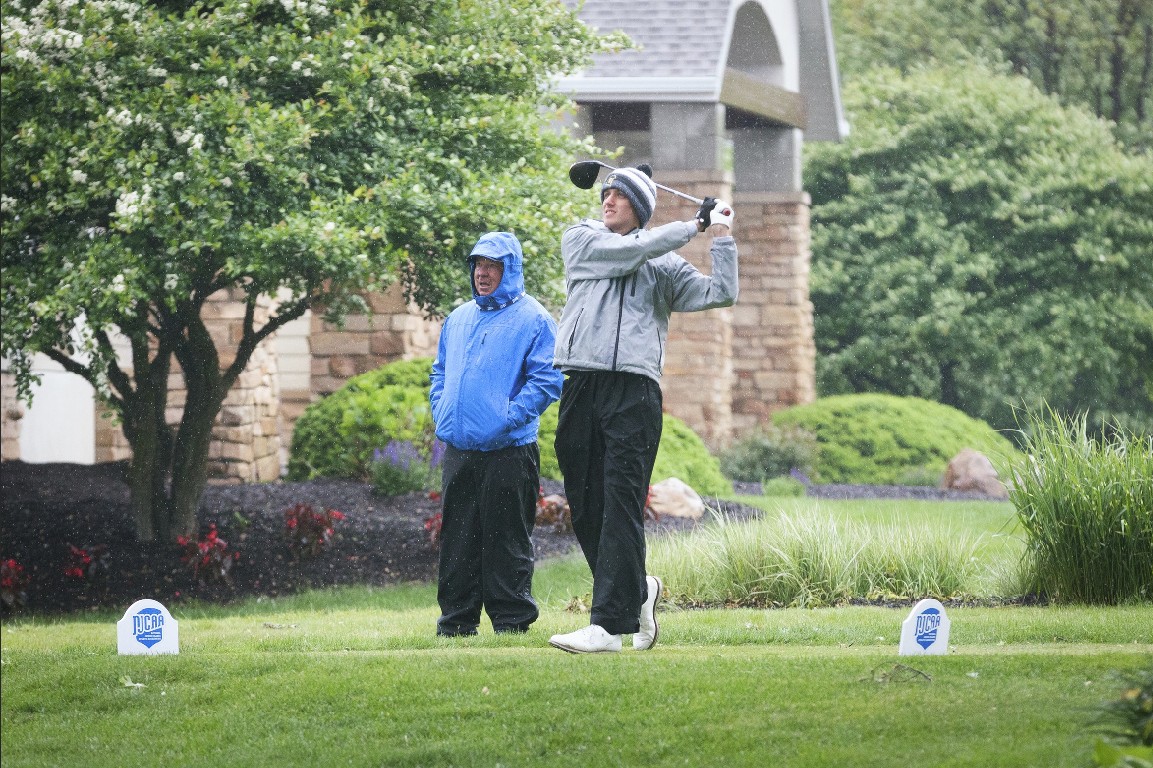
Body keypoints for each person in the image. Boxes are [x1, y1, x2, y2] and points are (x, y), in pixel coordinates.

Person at [548, 165, 737, 654]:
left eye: (619, 195)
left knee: (621, 503)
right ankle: (636, 593)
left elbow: (721, 292)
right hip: (581, 385)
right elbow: (629, 253)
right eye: (606, 193)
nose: (607, 201)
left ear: (640, 208)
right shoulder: (583, 240)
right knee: (587, 506)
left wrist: (720, 235)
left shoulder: (664, 266)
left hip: (634, 395)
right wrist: (692, 226)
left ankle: (609, 625)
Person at [429, 231, 564, 637]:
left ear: (511, 270)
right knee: (456, 541)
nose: (483, 274)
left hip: (509, 450)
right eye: (478, 266)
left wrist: (507, 417)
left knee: (506, 540)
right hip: (459, 449)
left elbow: (546, 380)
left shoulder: (535, 319)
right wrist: (442, 411)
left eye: (492, 266)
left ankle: (512, 623)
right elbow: (439, 372)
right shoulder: (458, 318)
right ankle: (455, 624)